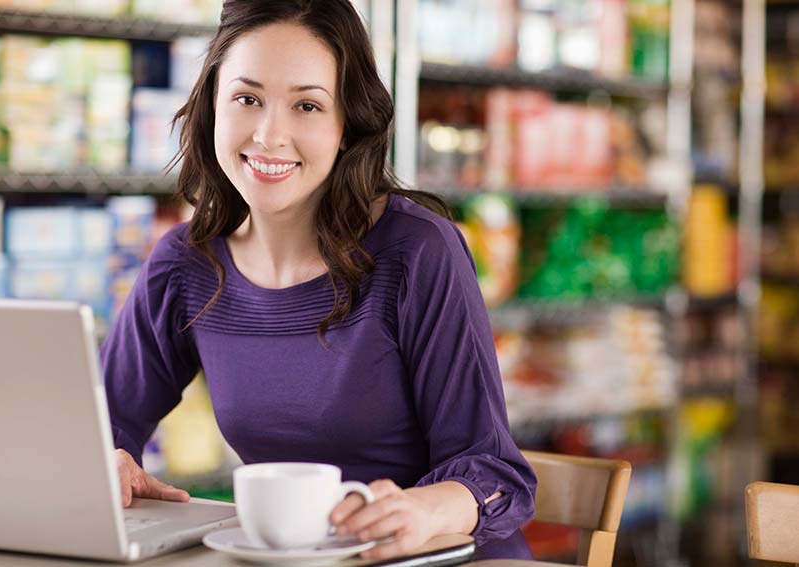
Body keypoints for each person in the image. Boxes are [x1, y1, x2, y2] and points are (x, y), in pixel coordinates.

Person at [101, 0, 537, 560]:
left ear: (345, 125)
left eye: (307, 105)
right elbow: (103, 425)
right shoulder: (185, 265)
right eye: (247, 98)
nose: (268, 135)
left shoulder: (415, 252)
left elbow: (497, 472)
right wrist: (107, 461)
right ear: (212, 105)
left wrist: (422, 510)